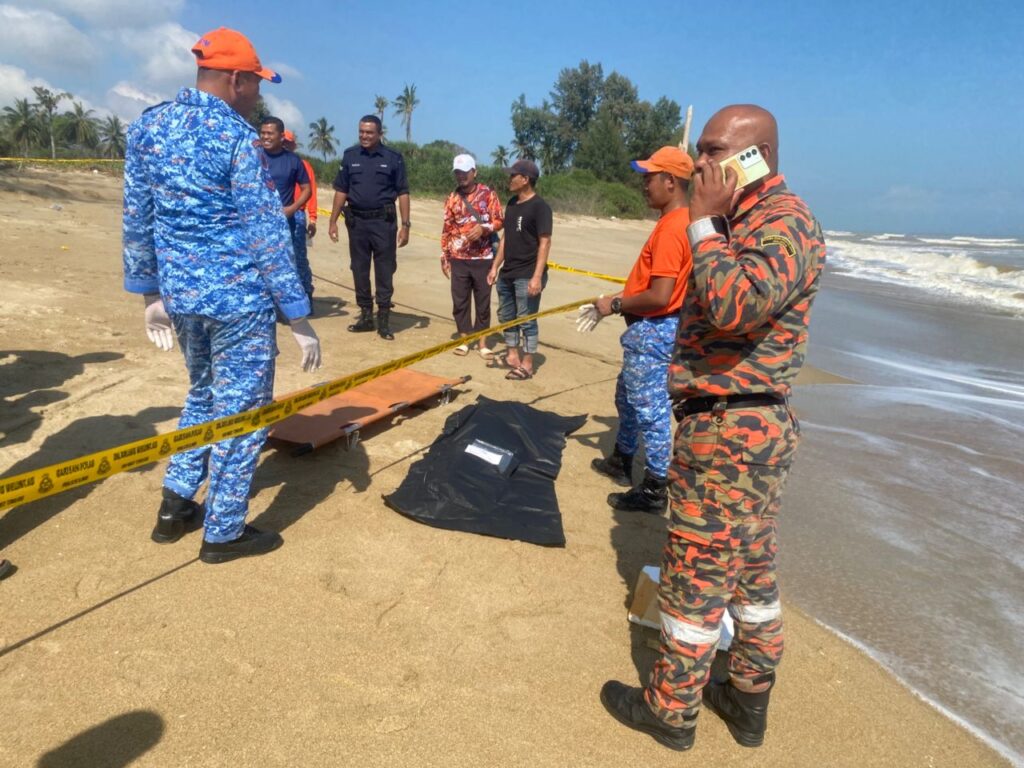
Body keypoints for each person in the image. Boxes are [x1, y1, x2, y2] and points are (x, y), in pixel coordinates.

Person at [600, 105, 826, 751]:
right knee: (751, 573)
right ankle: (747, 696)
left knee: (695, 579)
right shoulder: (748, 221)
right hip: (744, 429)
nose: (699, 163)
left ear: (753, 157)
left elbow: (732, 307)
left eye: (712, 149)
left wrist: (700, 222)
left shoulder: (783, 222)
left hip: (732, 432)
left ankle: (671, 710)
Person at [123, 27, 322, 565]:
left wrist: (148, 294)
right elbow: (265, 232)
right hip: (238, 303)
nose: (259, 93)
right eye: (256, 83)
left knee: (203, 395)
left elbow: (137, 218)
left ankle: (176, 502)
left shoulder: (148, 128)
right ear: (235, 80)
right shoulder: (236, 137)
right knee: (243, 412)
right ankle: (225, 530)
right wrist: (297, 314)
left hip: (182, 299)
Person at [585, 146, 693, 513]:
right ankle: (621, 458)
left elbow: (661, 295)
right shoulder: (679, 223)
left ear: (671, 181)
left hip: (654, 331)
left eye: (649, 178)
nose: (644, 185)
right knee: (628, 398)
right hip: (655, 327)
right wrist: (618, 298)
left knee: (651, 410)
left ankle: (654, 488)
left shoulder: (673, 228)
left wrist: (615, 304)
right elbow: (656, 287)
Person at [327, 115, 410, 340]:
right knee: (359, 269)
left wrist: (406, 225)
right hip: (357, 223)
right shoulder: (350, 156)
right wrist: (333, 220)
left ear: (379, 134)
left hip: (383, 223)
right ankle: (365, 316)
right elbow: (341, 189)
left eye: (369, 132)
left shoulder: (393, 158)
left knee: (384, 270)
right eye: (361, 131)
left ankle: (383, 319)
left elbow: (402, 192)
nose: (364, 136)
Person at [486, 159, 552, 380]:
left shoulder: (540, 207)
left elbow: (545, 242)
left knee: (526, 319)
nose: (509, 179)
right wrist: (495, 266)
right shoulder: (512, 203)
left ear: (525, 180)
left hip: (527, 274)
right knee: (507, 316)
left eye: (513, 176)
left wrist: (536, 277)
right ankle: (512, 355)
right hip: (508, 272)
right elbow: (506, 238)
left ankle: (528, 363)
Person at [440, 153, 503, 358]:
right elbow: (447, 228)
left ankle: (483, 343)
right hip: (458, 258)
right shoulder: (452, 198)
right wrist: (445, 255)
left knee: (483, 303)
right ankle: (465, 339)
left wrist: (484, 228)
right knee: (460, 302)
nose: (461, 176)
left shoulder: (488, 194)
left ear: (474, 172)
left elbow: (499, 221)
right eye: (458, 173)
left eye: (465, 172)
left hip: (483, 258)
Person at [278, 128, 317, 303]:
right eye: (283, 141)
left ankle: (306, 293)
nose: (285, 145)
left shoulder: (301, 164)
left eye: (288, 142)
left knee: (299, 257)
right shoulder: (266, 161)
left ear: (293, 144)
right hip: (274, 216)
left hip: (297, 215)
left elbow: (311, 192)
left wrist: (313, 218)